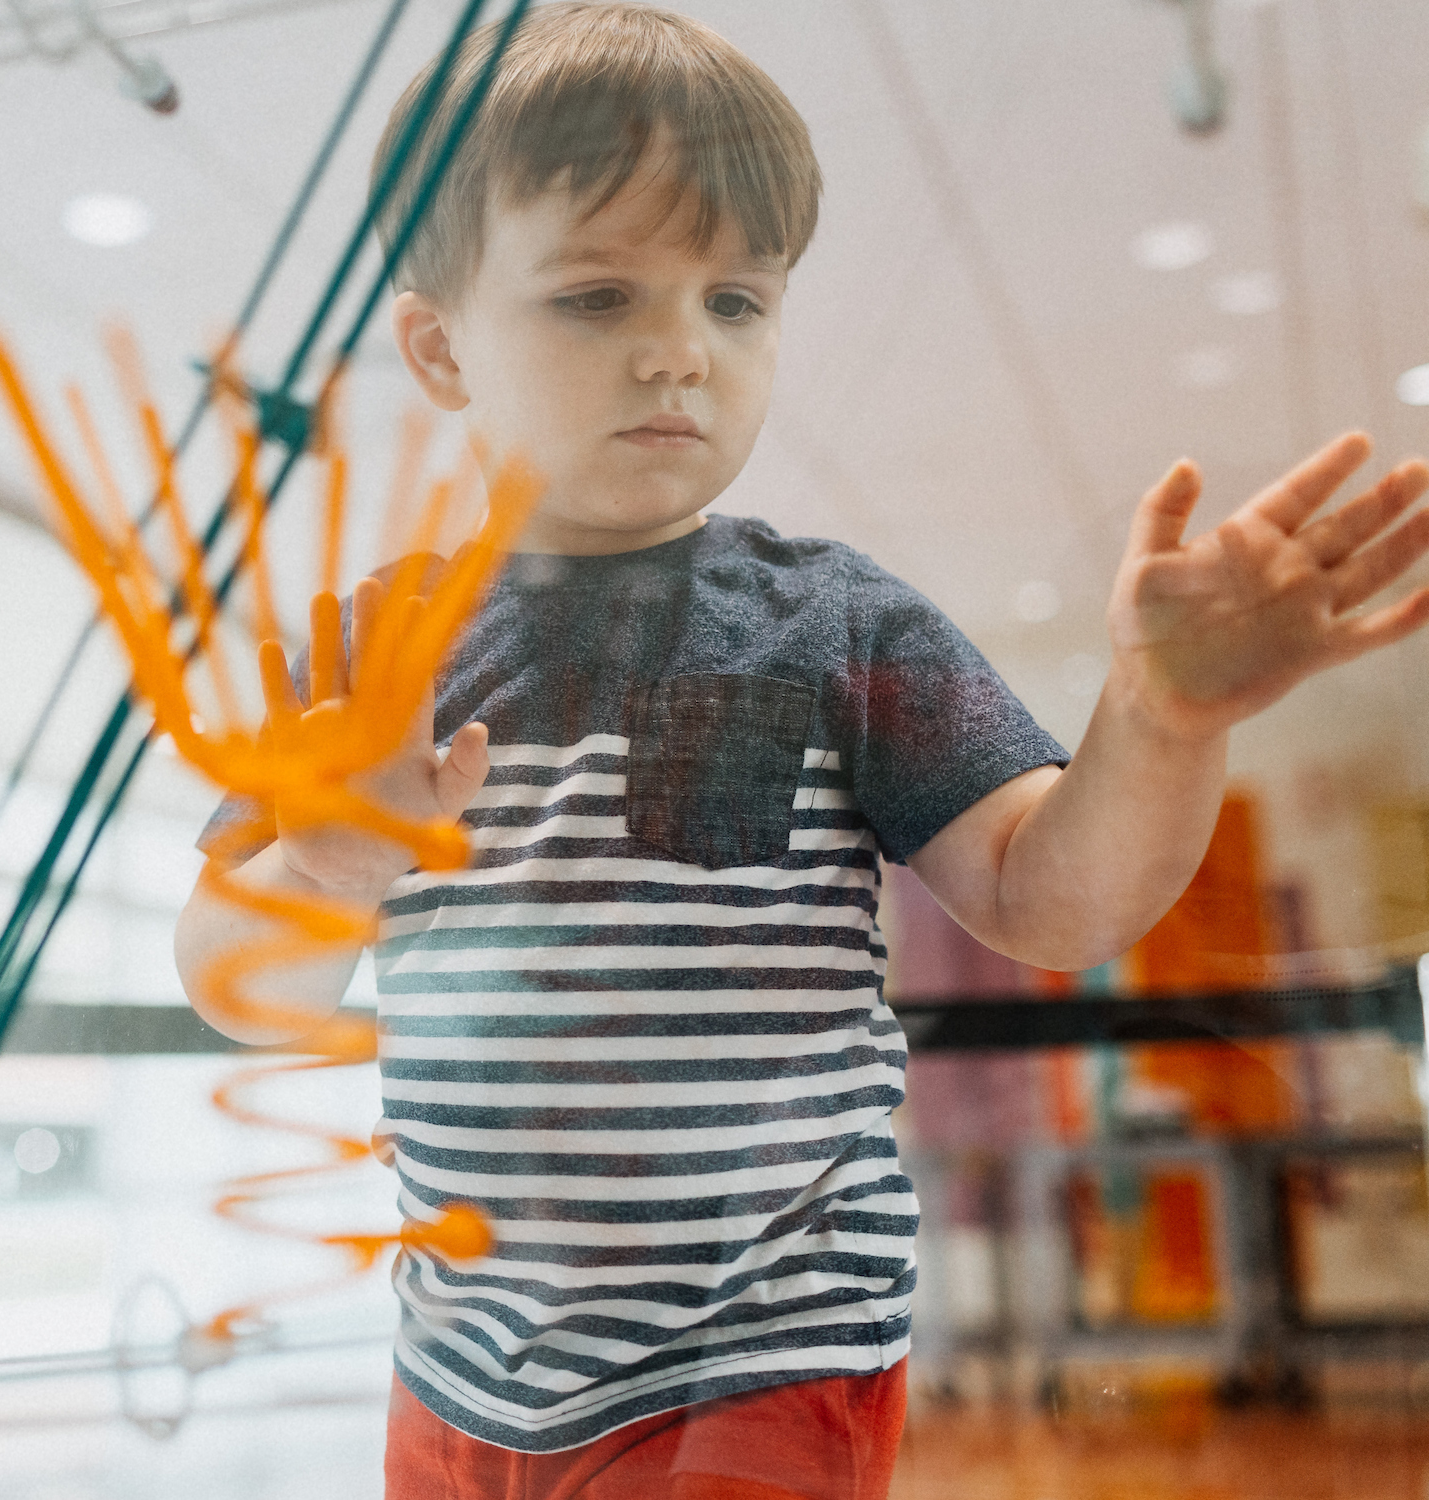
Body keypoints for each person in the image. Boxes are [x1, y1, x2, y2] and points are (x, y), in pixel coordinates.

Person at [168, 5, 1429, 1497]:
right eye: (596, 297)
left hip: (761, 1352)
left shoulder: (841, 625)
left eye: (737, 302)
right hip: (461, 1365)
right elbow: (233, 988)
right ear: (442, 348)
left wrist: (1165, 717)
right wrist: (324, 861)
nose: (678, 355)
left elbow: (1057, 896)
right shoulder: (380, 653)